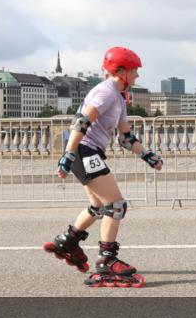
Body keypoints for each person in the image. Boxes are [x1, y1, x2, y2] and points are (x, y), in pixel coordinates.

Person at [43, 46, 163, 288]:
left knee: (98, 206)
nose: (137, 75)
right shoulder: (106, 91)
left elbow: (125, 138)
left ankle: (68, 241)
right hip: (83, 150)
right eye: (134, 71)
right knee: (115, 205)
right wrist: (68, 155)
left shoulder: (119, 97)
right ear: (120, 71)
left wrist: (148, 156)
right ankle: (107, 261)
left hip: (89, 151)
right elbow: (82, 121)